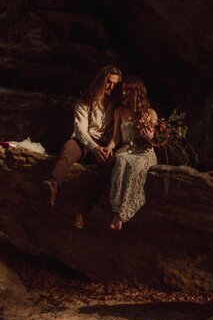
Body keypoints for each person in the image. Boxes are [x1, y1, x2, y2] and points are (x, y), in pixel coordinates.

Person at [43, 65, 122, 228]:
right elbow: (80, 131)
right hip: (83, 141)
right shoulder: (85, 100)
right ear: (101, 81)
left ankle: (83, 211)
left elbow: (116, 133)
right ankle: (52, 185)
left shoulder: (116, 105)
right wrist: (94, 148)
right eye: (109, 82)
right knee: (68, 149)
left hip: (101, 145)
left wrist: (106, 149)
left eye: (115, 84)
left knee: (112, 165)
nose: (111, 87)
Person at [105, 76, 158, 230]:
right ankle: (117, 208)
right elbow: (115, 138)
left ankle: (121, 214)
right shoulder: (119, 111)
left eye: (128, 90)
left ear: (137, 91)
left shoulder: (150, 113)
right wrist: (107, 149)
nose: (124, 93)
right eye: (123, 90)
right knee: (120, 161)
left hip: (144, 152)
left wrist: (149, 136)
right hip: (127, 149)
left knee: (136, 164)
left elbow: (156, 142)